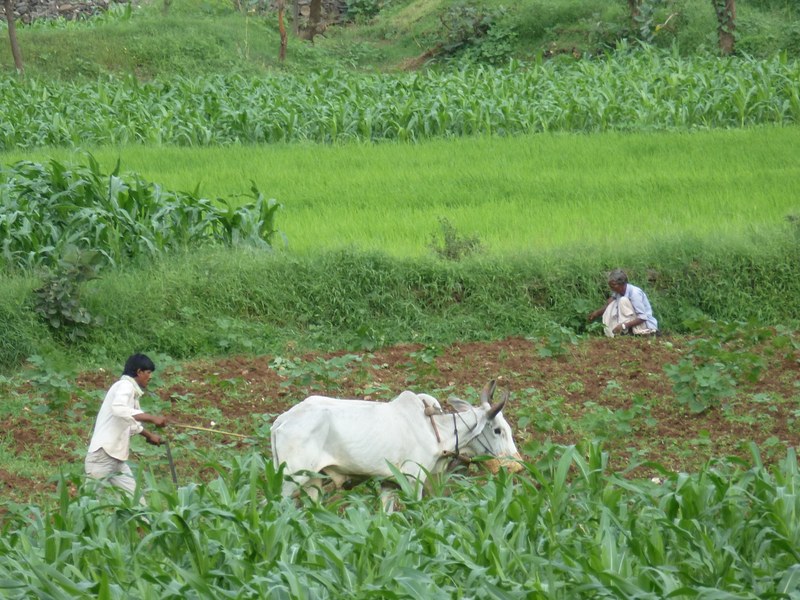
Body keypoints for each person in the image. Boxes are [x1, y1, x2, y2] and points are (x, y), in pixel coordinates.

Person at [85, 353, 168, 503]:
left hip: (117, 459)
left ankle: (146, 526)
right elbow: (119, 409)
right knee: (89, 505)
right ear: (139, 372)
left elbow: (131, 422)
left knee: (137, 503)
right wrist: (152, 418)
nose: (150, 377)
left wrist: (149, 436)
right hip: (102, 456)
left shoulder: (132, 391)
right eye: (148, 373)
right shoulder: (125, 386)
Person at [588, 269, 658, 338]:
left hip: (644, 325)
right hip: (630, 323)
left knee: (623, 300)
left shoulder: (635, 293)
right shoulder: (618, 292)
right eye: (610, 286)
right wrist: (596, 313)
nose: (611, 288)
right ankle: (616, 333)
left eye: (613, 285)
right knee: (612, 304)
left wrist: (623, 326)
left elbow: (643, 317)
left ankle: (627, 332)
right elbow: (608, 304)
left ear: (622, 284)